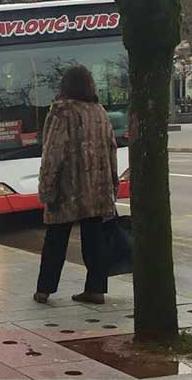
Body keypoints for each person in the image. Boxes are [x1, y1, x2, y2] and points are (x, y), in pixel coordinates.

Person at [34, 65, 119, 305]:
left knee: (55, 239)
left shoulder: (62, 111)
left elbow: (53, 152)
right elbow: (111, 148)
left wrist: (46, 187)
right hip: (97, 188)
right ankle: (95, 289)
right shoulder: (99, 111)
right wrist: (113, 182)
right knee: (95, 240)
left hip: (67, 189)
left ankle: (44, 290)